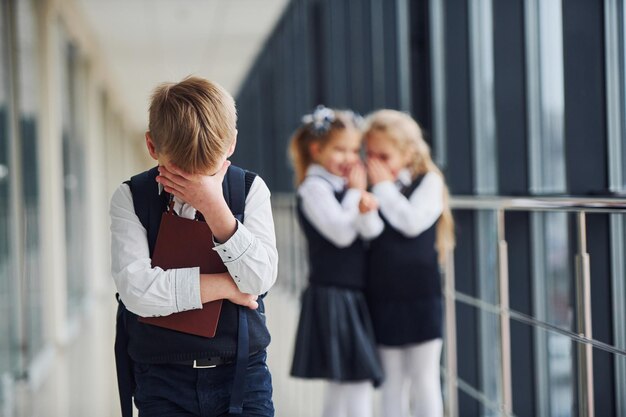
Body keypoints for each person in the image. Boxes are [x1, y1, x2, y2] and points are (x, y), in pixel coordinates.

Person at [110, 76, 278, 417]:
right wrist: (227, 287)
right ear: (153, 148)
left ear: (230, 144)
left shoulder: (249, 190)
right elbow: (138, 292)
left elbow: (260, 279)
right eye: (182, 173)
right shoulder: (131, 197)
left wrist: (215, 208)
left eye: (207, 173)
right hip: (161, 376)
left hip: (241, 371)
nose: (195, 185)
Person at [289, 105, 384, 417]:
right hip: (333, 293)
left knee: (344, 384)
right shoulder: (313, 189)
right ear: (316, 150)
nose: (349, 158)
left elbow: (370, 231)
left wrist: (362, 204)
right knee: (353, 381)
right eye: (340, 150)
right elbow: (342, 235)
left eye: (354, 150)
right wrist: (357, 196)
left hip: (348, 293)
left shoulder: (342, 189)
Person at [363, 109, 455, 417]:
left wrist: (383, 188)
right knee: (391, 381)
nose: (374, 164)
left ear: (408, 153)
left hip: (420, 294)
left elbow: (412, 222)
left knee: (424, 379)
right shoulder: (369, 185)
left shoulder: (429, 182)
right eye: (370, 155)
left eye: (384, 156)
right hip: (383, 294)